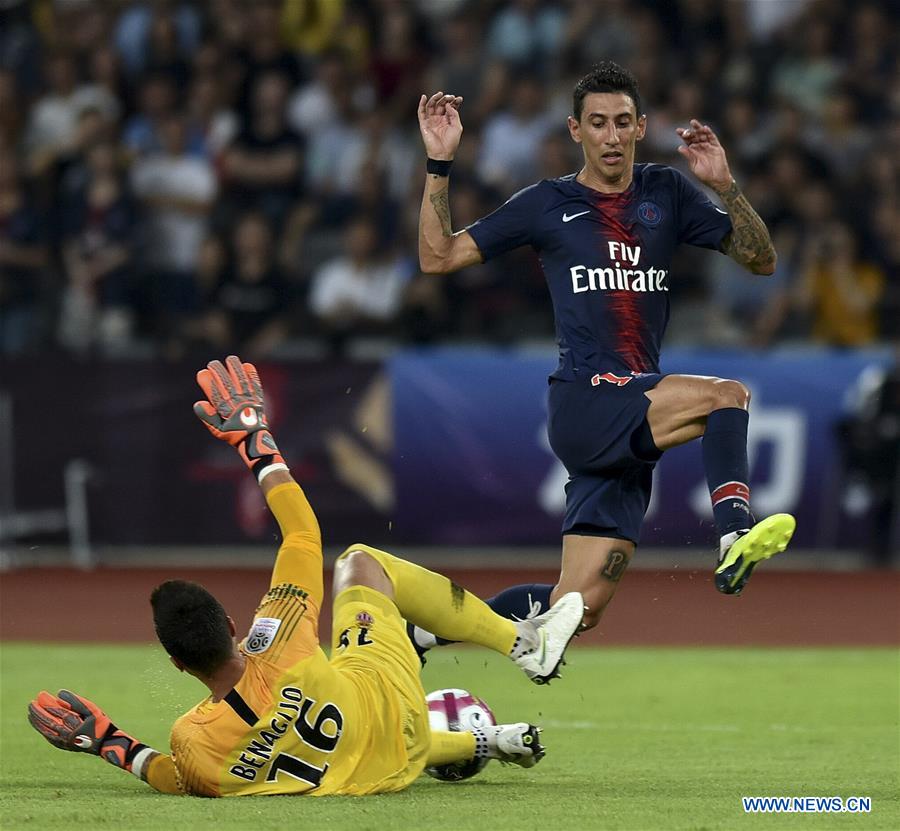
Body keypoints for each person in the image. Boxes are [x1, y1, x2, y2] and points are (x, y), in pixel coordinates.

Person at [28, 357, 583, 797]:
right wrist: (254, 442)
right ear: (228, 622)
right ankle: (521, 644)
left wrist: (109, 743)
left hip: (384, 768)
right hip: (393, 713)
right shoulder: (280, 637)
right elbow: (302, 536)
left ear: (177, 663)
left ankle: (475, 728)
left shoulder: (193, 740)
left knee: (355, 733)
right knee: (361, 563)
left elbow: (175, 777)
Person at [412, 61, 796, 644]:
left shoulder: (666, 191)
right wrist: (440, 163)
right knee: (728, 396)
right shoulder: (546, 203)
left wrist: (724, 186)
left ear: (641, 127)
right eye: (598, 124)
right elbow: (437, 257)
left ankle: (419, 636)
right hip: (588, 399)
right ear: (575, 130)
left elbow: (761, 260)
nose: (611, 136)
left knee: (576, 607)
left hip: (632, 411)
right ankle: (733, 534)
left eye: (622, 122)